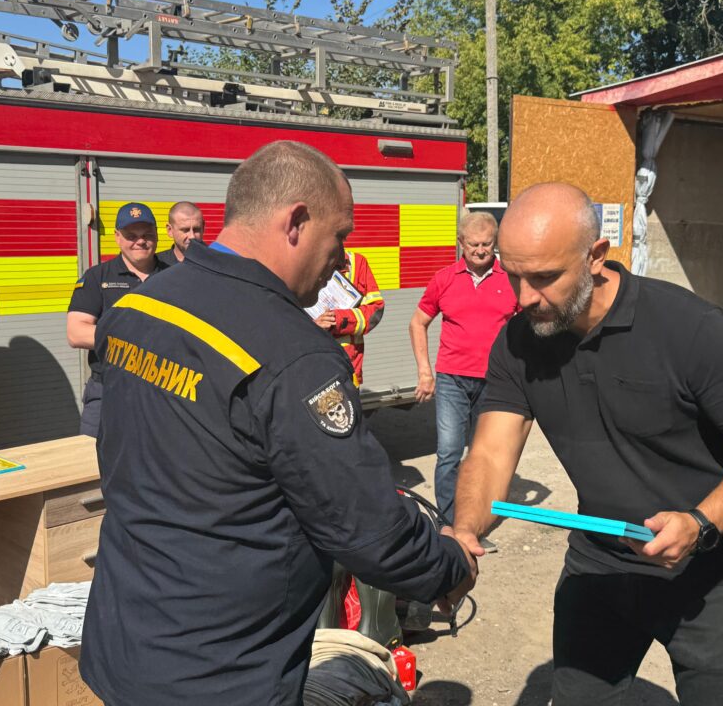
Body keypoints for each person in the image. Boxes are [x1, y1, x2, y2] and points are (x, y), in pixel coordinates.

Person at [80, 141, 476, 706]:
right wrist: (448, 565)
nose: (343, 258)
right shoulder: (296, 354)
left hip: (123, 642)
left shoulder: (141, 307)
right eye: (340, 236)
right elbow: (366, 528)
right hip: (222, 672)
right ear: (296, 221)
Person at [452, 182, 723, 706]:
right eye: (513, 275)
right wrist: (463, 531)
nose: (523, 298)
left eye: (544, 278)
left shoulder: (690, 328)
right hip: (599, 567)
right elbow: (490, 454)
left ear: (595, 256)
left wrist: (699, 524)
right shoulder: (519, 341)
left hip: (712, 571)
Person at [409, 210, 519, 539]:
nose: (480, 250)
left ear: (495, 244)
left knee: (484, 457)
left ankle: (475, 524)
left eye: (487, 244)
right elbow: (418, 322)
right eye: (473, 244)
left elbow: (529, 327)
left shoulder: (510, 280)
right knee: (449, 453)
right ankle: (448, 524)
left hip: (496, 383)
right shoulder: (444, 278)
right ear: (461, 243)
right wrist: (425, 372)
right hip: (452, 380)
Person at [67, 202, 166, 437]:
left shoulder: (176, 276)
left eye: (147, 234)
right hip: (109, 388)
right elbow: (76, 332)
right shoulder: (97, 277)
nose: (140, 241)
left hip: (163, 389)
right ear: (117, 237)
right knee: (93, 462)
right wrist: (133, 337)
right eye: (131, 235)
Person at [312, 249, 384, 386]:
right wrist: (312, 324)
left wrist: (337, 319)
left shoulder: (356, 262)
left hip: (348, 368)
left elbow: (375, 312)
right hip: (310, 364)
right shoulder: (298, 263)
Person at [156, 200, 205, 266]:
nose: (192, 236)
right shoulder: (156, 265)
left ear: (203, 228)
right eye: (185, 230)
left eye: (196, 229)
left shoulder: (216, 263)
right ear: (170, 230)